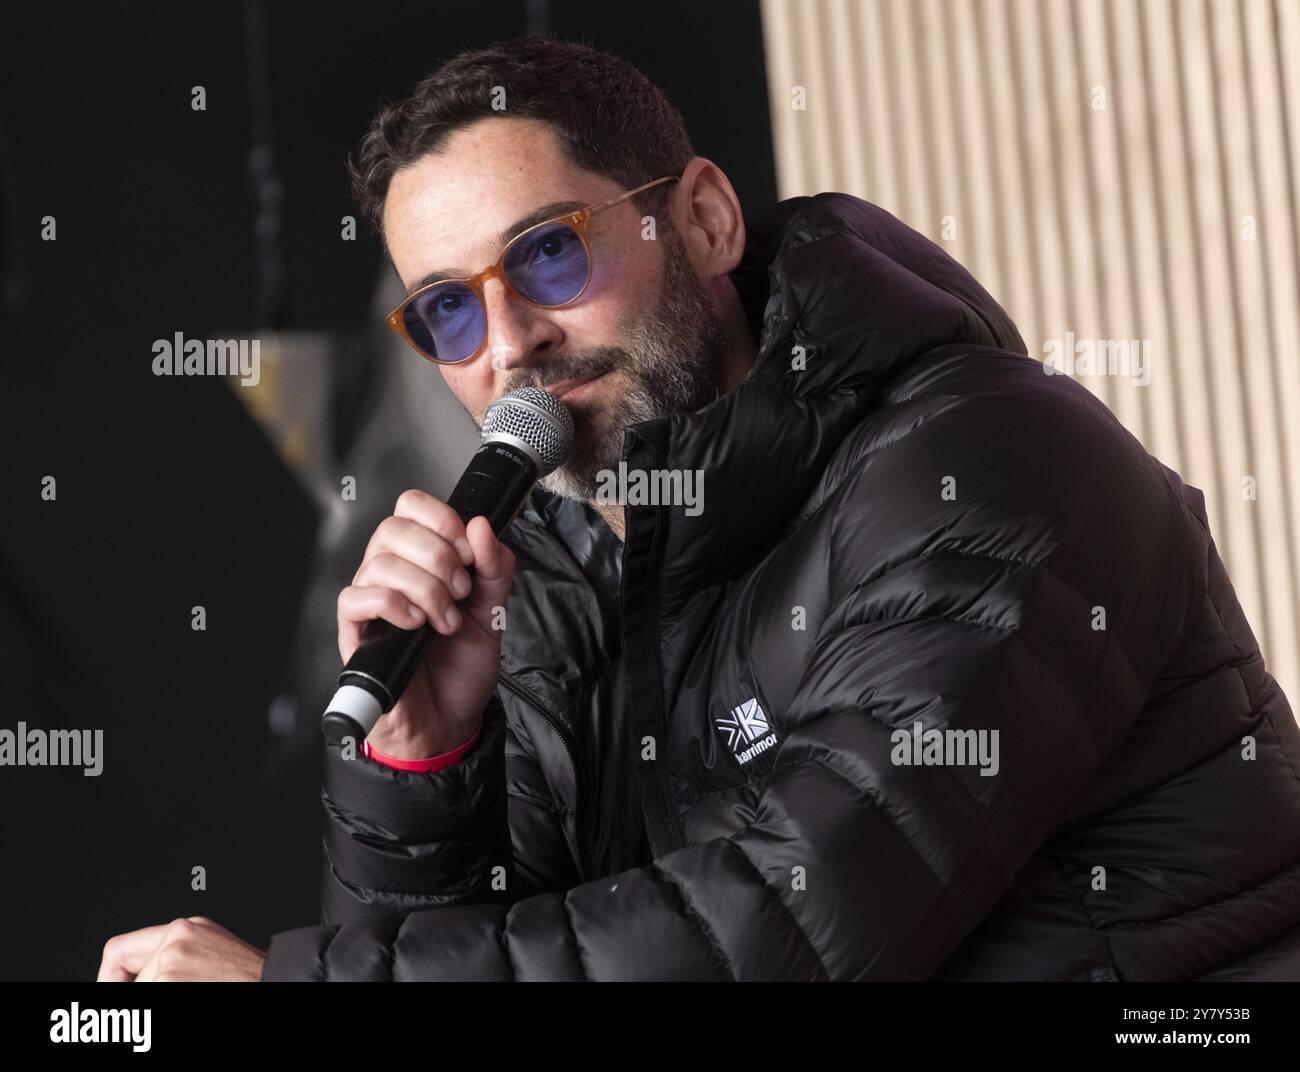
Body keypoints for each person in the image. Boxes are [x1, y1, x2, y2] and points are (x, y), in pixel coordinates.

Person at [99, 35, 1300, 983]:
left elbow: (784, 926)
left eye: (551, 256)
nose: (511, 342)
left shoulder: (982, 465)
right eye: (449, 313)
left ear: (708, 219)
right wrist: (423, 760)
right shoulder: (555, 573)